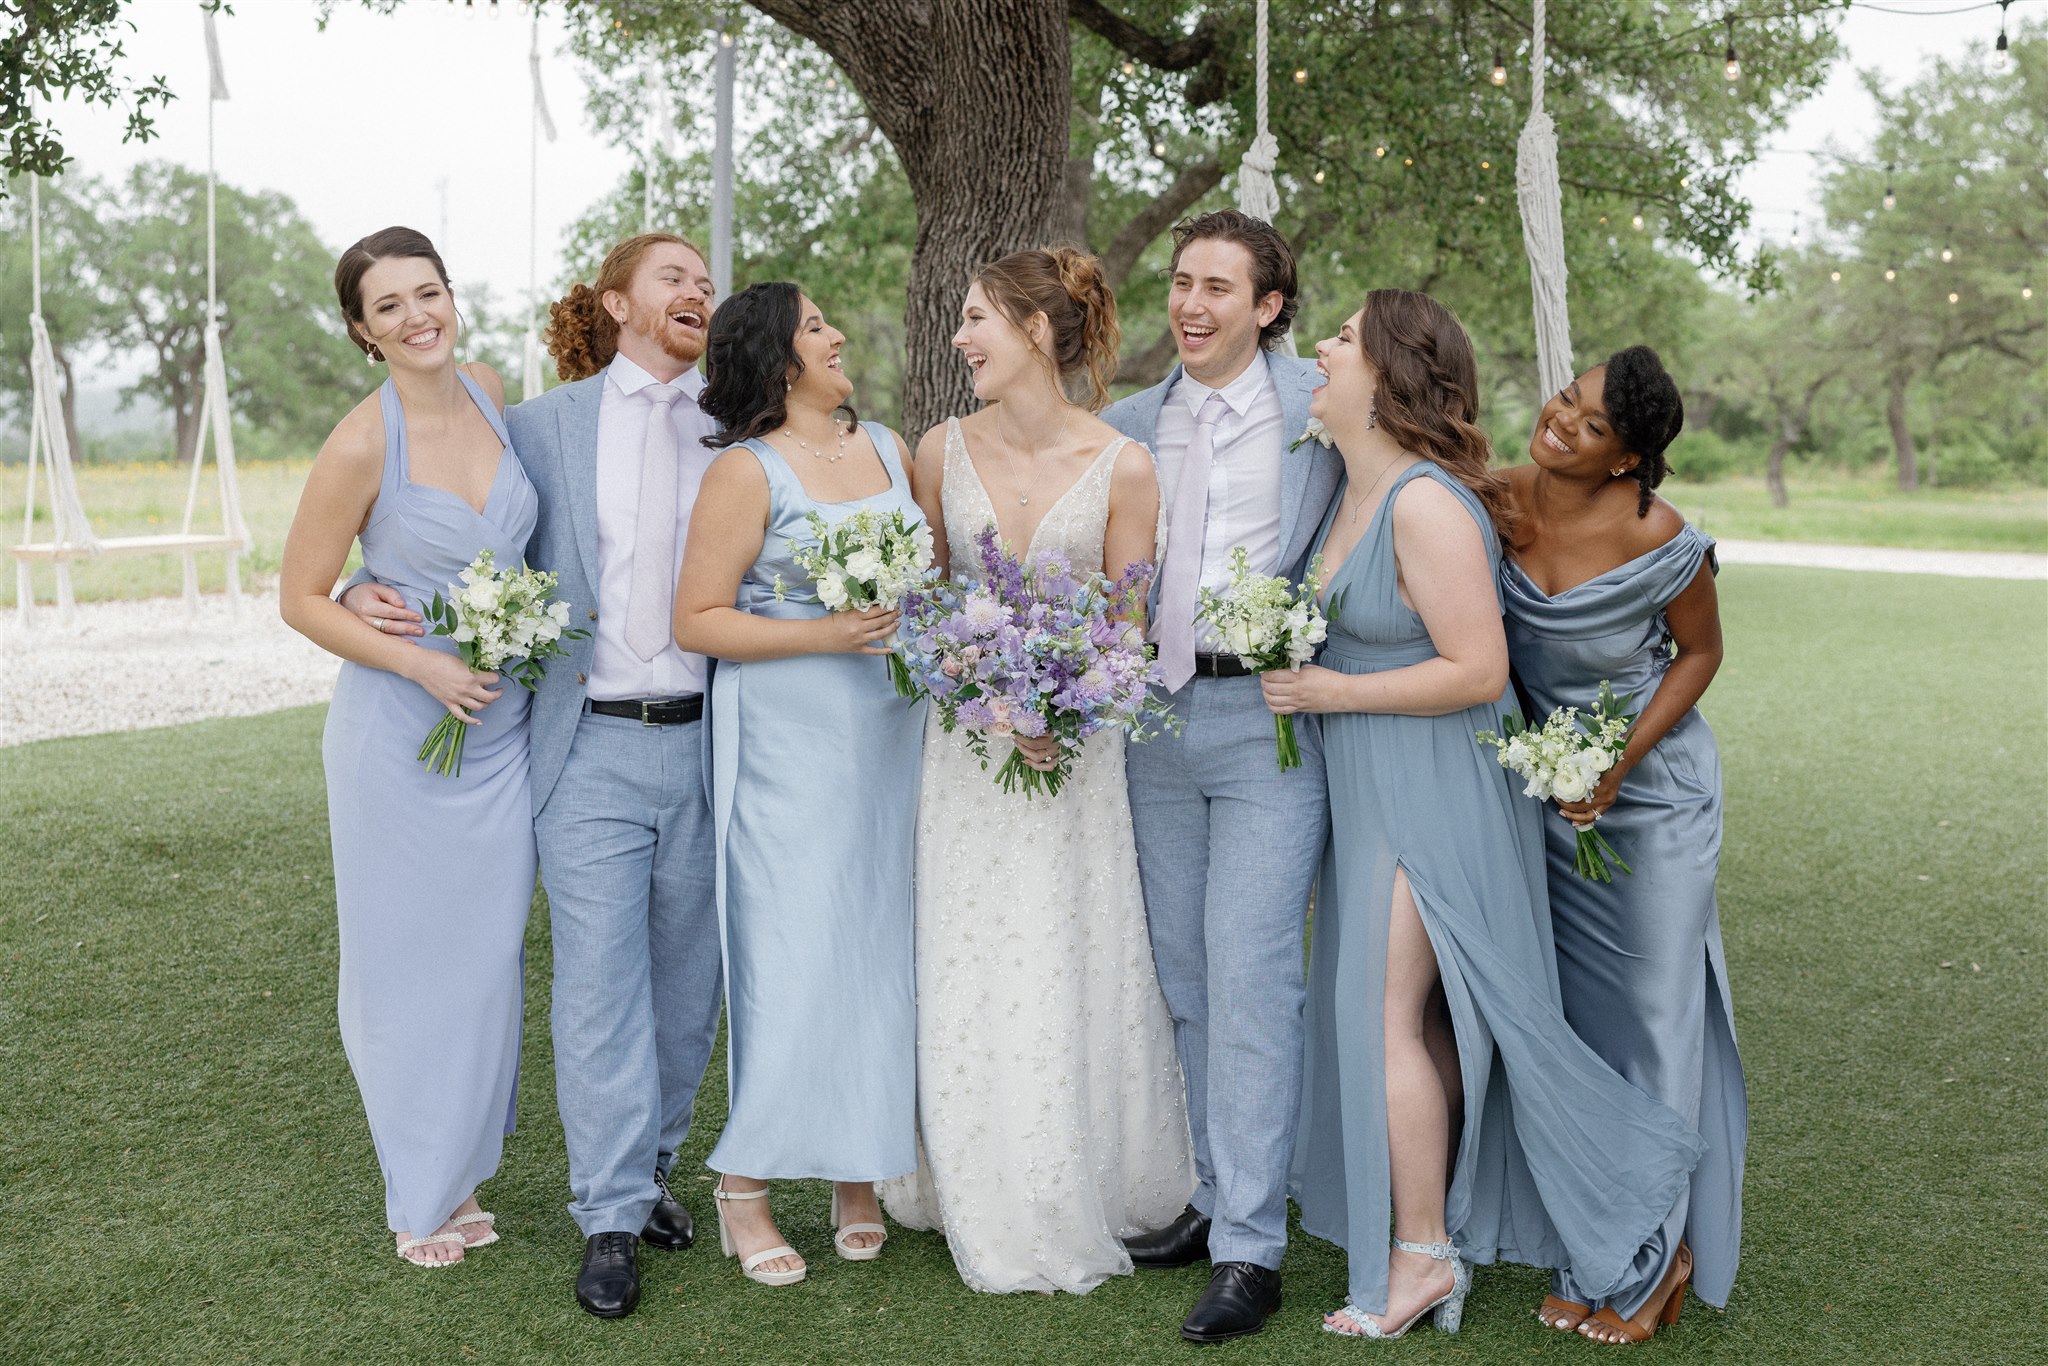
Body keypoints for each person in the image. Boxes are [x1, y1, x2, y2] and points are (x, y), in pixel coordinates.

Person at [1268, 290, 1705, 1340]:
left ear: (1385, 371)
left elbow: (1476, 668)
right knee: (1416, 1020)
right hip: (1373, 788)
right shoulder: (1344, 489)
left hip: (1434, 787)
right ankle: (1440, 1234)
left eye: (1337, 337)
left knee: (1397, 1018)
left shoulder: (1421, 503)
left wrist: (1332, 692)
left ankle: (1425, 1255)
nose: (1318, 349)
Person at [340, 233, 725, 1318]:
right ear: (615, 303)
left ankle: (652, 1170)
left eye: (706, 279)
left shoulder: (739, 422)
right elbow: (455, 523)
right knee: (600, 980)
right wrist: (374, 591)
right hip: (584, 740)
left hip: (711, 738)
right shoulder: (542, 426)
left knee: (689, 981)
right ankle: (605, 1215)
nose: (697, 289)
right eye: (672, 276)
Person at [876, 247, 1193, 1295]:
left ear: (1037, 333)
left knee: (1065, 941)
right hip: (964, 753)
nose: (959, 338)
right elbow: (922, 604)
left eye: (975, 319)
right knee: (965, 940)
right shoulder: (936, 449)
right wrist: (977, 689)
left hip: (1071, 758)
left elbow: (1128, 628)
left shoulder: (1123, 464)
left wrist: (1064, 702)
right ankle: (958, 1167)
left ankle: (1078, 1173)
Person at [1099, 210, 1343, 1343]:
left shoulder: (1323, 416)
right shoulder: (1129, 424)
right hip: (1152, 721)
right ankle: (1210, 1195)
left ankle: (1251, 1247)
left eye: (1216, 287)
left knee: (1251, 977)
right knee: (1186, 974)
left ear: (1267, 307)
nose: (1189, 304)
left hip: (1266, 723)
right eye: (1179, 283)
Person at [281, 226, 535, 1267]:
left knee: (481, 962)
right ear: (362, 331)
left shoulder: (485, 387)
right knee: (401, 964)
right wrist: (416, 662)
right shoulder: (359, 441)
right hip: (399, 732)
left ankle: (463, 1173)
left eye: (426, 293)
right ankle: (417, 1193)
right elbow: (297, 597)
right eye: (389, 306)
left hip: (500, 726)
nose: (415, 316)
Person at [672, 283, 923, 1286]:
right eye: (816, 325)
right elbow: (697, 619)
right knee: (791, 951)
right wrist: (827, 631)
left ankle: (855, 1171)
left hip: (888, 727)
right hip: (784, 736)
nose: (835, 334)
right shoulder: (744, 472)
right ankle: (745, 1177)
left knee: (874, 942)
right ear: (778, 361)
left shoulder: (892, 451)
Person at [1501, 347, 1745, 1345]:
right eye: (1568, 396)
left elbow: (1699, 652)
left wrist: (1614, 762)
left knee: (1648, 1022)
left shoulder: (1660, 536)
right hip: (1544, 799)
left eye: (1591, 423)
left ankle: (1656, 1260)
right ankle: (1598, 1244)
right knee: (1575, 1030)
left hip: (1650, 800)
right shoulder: (1496, 499)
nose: (1561, 418)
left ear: (1623, 460)